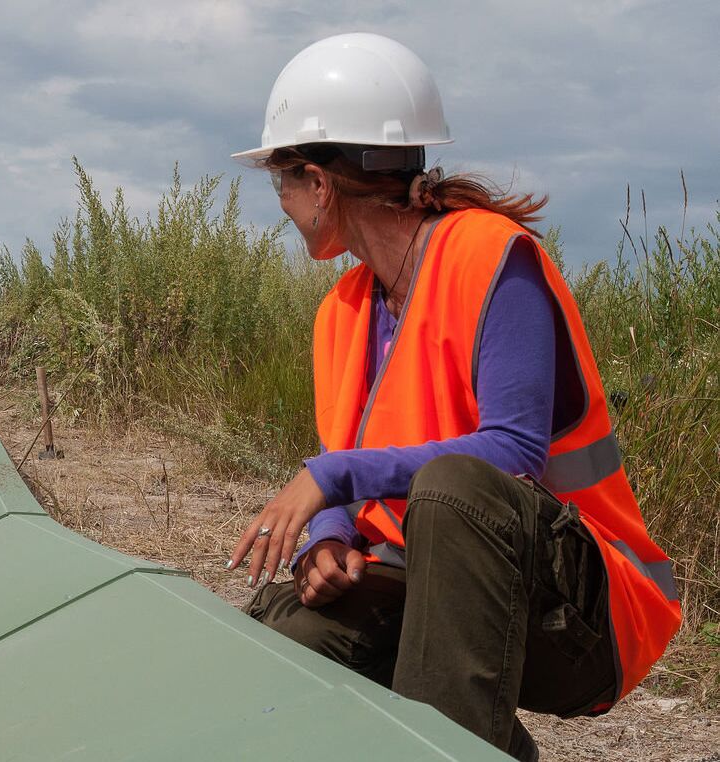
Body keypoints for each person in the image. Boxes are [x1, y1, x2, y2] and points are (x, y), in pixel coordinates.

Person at [225, 33, 679, 761]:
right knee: (291, 642)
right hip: (435, 594)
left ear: (318, 182)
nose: (280, 204)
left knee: (453, 488)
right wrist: (329, 537)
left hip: (588, 615)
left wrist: (331, 478)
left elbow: (512, 452)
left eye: (280, 184)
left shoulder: (492, 258)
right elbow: (347, 458)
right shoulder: (341, 312)